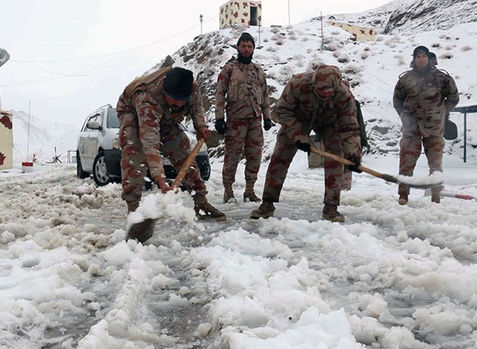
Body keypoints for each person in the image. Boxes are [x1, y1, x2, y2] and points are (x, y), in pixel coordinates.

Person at [116, 66, 226, 241]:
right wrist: (160, 178)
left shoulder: (192, 88)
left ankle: (201, 202)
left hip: (166, 118)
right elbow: (150, 142)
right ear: (165, 90)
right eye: (173, 99)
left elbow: (196, 107)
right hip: (132, 113)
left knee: (183, 153)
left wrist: (200, 127)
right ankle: (134, 212)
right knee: (134, 156)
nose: (177, 104)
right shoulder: (147, 98)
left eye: (181, 101)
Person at [250, 64, 362, 222]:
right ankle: (267, 203)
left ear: (335, 88)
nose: (322, 92)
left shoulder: (344, 95)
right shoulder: (298, 84)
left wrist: (353, 154)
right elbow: (283, 110)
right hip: (297, 118)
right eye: (319, 89)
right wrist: (298, 136)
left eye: (326, 90)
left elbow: (350, 127)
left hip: (329, 122)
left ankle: (331, 207)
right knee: (280, 155)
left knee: (336, 156)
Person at [393, 46, 459, 205]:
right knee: (406, 165)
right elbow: (397, 101)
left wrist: (441, 113)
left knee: (435, 166)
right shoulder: (405, 79)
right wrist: (404, 116)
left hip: (434, 129)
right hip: (411, 130)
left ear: (429, 58)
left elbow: (453, 98)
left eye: (424, 56)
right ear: (414, 59)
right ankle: (403, 196)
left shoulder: (442, 78)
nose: (421, 59)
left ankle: (436, 196)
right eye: (418, 56)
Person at [215, 32, 272, 203]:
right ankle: (228, 191)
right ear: (238, 48)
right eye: (243, 46)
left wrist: (267, 117)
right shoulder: (229, 69)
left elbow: (265, 94)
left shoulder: (258, 71)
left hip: (255, 119)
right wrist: (219, 118)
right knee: (232, 155)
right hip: (235, 120)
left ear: (253, 48)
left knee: (255, 155)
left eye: (249, 46)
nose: (246, 49)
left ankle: (249, 190)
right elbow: (219, 93)